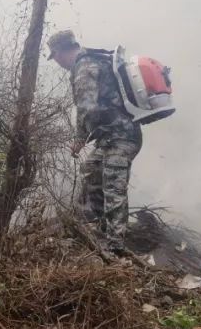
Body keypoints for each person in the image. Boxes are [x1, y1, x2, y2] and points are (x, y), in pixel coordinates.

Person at [47, 29, 142, 259]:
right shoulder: (94, 59)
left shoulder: (84, 66)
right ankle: (102, 227)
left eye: (55, 56)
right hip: (111, 137)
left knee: (113, 186)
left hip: (121, 136)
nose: (57, 62)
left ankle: (115, 246)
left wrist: (80, 138)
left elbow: (86, 107)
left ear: (60, 52)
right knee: (91, 170)